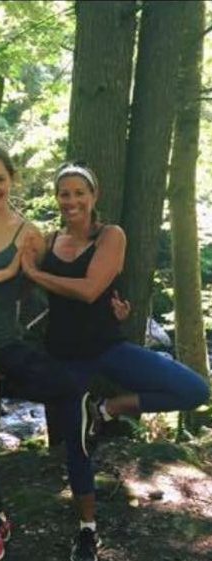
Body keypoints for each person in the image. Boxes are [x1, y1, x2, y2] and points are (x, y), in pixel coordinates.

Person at [16, 160, 209, 561]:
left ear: (94, 196)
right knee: (77, 447)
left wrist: (36, 274)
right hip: (64, 358)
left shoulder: (111, 235)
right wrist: (28, 269)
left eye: (79, 193)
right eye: (64, 193)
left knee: (193, 389)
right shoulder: (48, 241)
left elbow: (89, 290)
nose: (71, 201)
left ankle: (109, 407)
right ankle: (87, 531)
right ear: (57, 198)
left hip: (108, 349)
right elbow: (22, 286)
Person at [0, 146, 94, 561]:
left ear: (12, 181)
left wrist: (109, 304)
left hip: (2, 342)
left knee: (66, 385)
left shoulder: (29, 234)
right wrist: (6, 271)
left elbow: (39, 285)